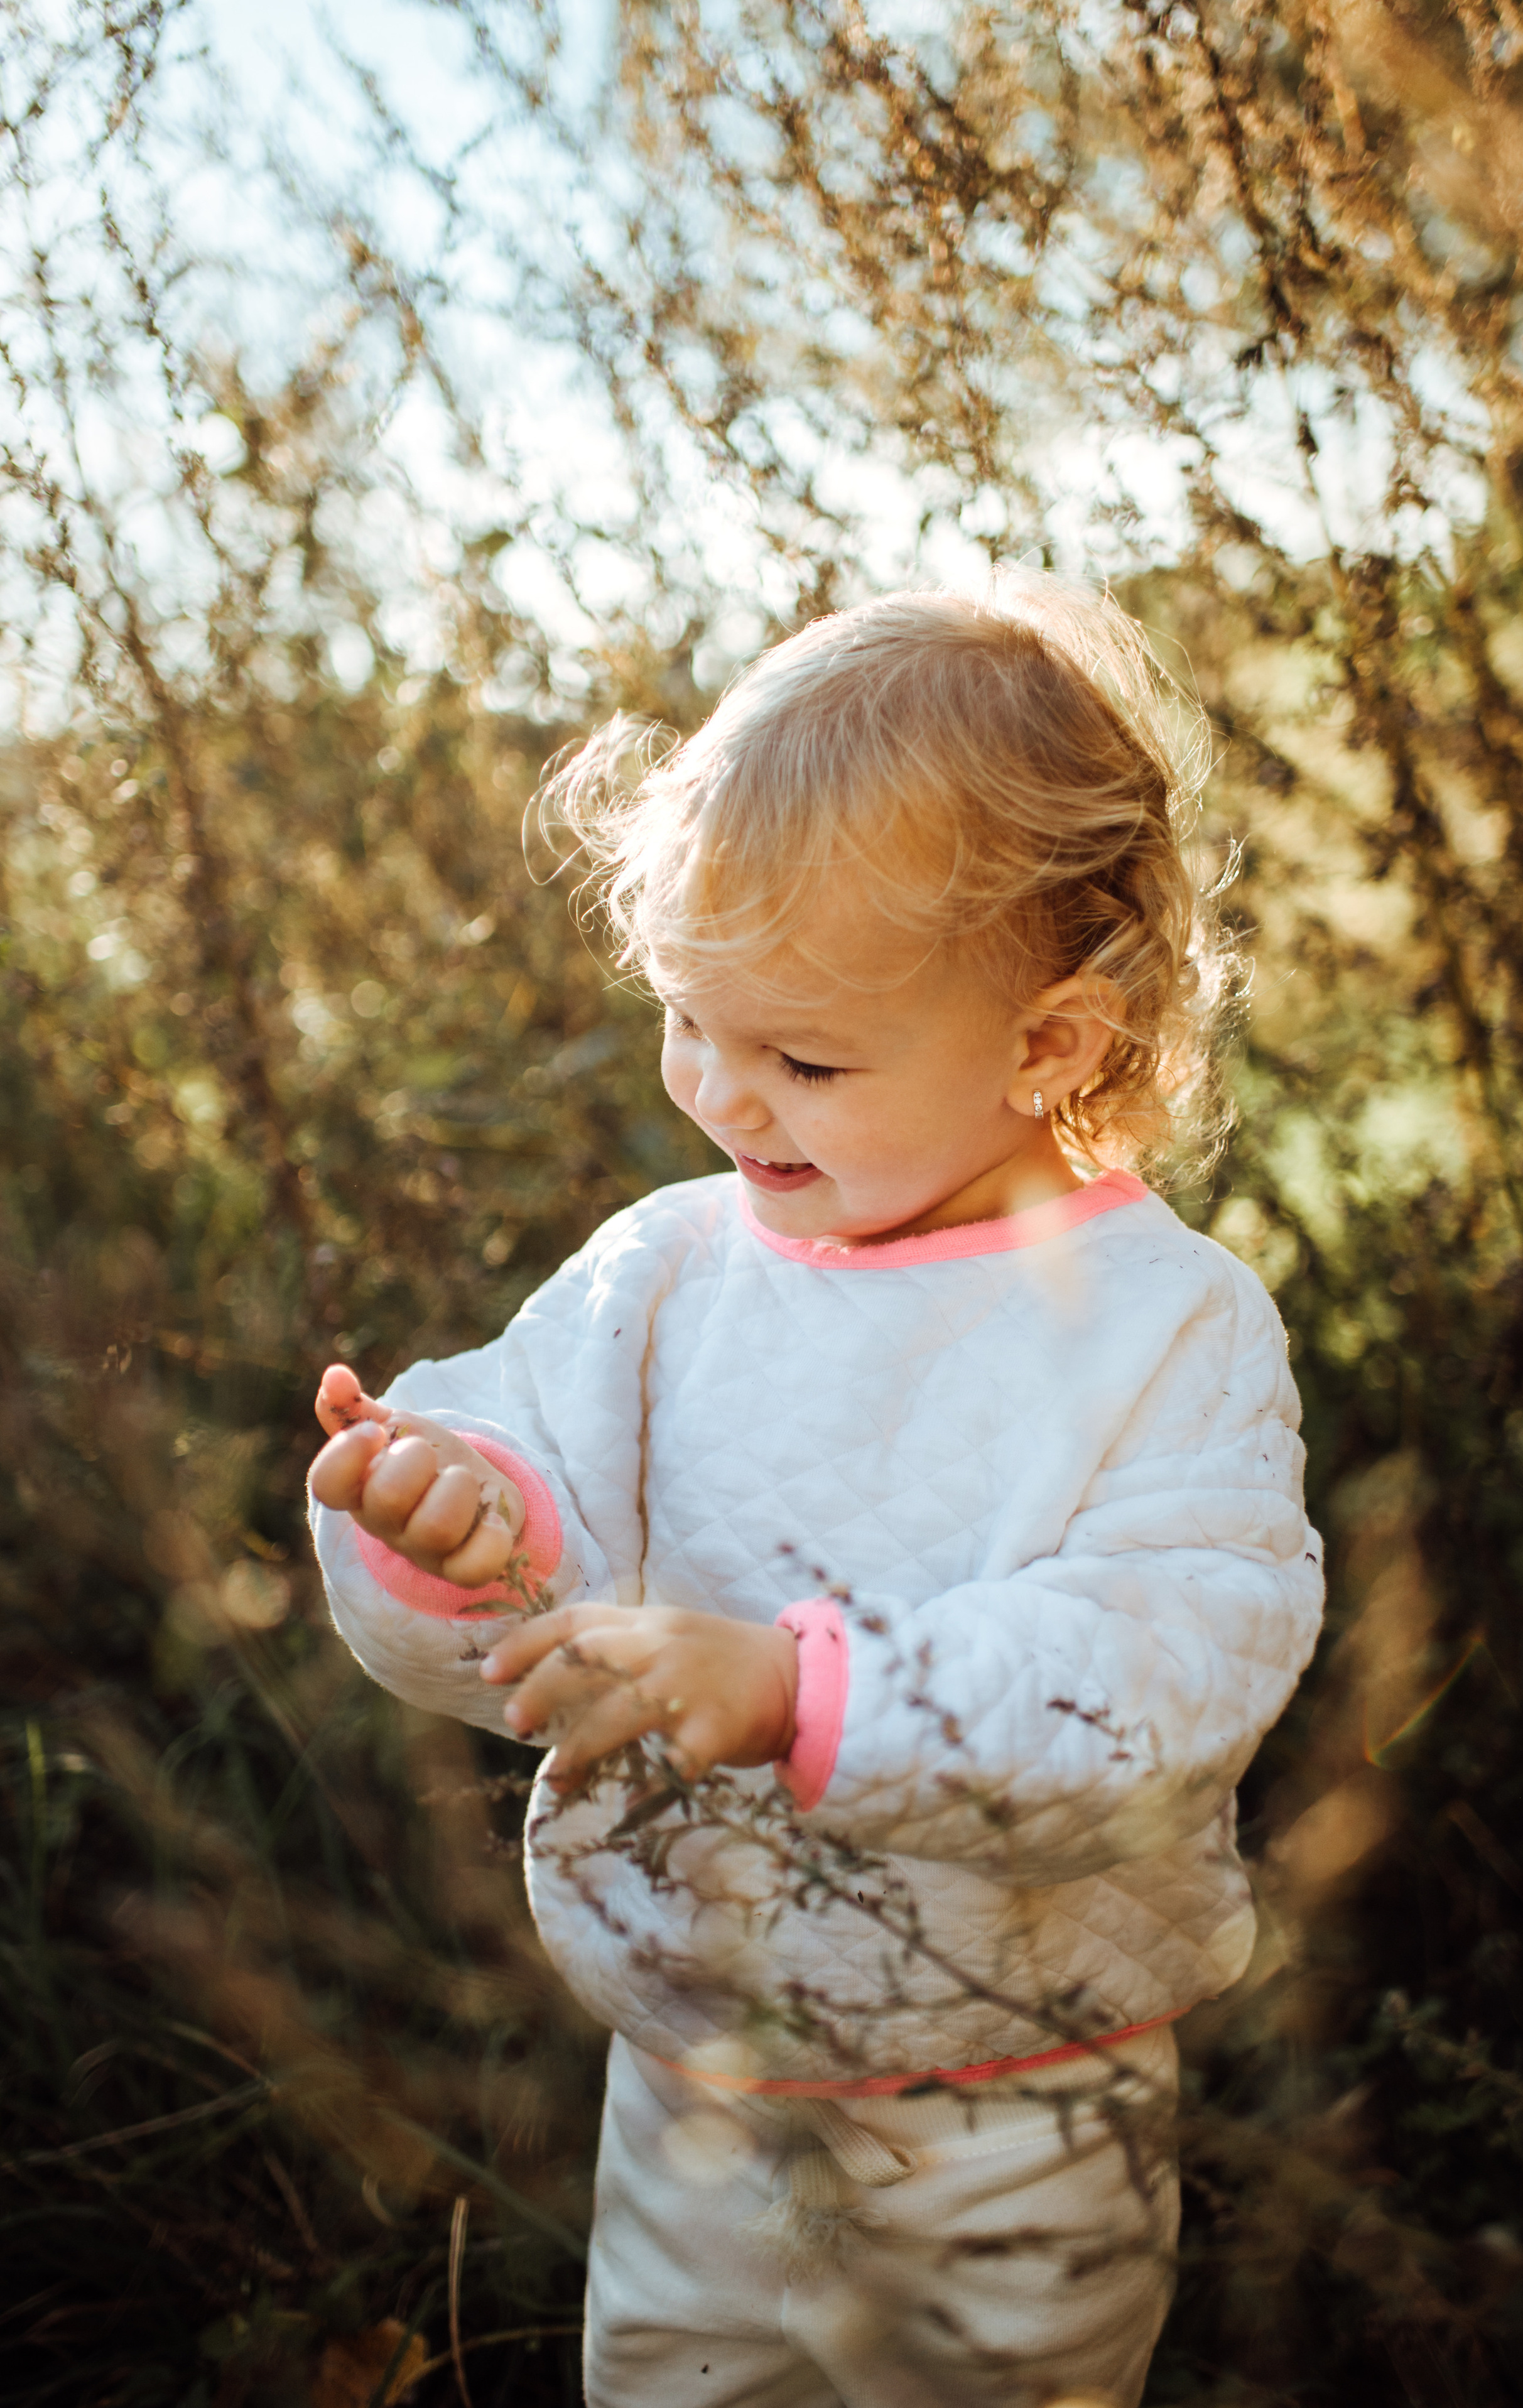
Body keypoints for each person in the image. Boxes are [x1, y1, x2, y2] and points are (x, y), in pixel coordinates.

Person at [307, 573, 1324, 2408]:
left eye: (806, 1059)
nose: (723, 1093)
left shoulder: (1167, 1325)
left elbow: (1166, 1658)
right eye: (695, 1022)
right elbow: (534, 1474)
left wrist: (802, 1691)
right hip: (700, 2071)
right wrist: (463, 1523)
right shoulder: (669, 1271)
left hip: (1017, 2095)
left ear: (1050, 1045)